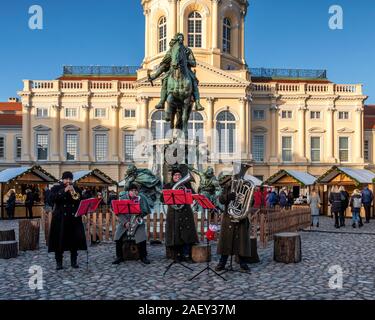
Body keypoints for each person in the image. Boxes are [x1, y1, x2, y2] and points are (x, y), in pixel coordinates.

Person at [148, 33, 204, 112]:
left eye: (182, 38)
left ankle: (198, 103)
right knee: (165, 81)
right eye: (179, 38)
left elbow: (194, 63)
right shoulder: (171, 50)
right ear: (176, 40)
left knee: (194, 82)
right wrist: (155, 75)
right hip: (172, 69)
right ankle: (162, 101)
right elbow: (164, 63)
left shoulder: (187, 50)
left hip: (186, 70)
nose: (181, 39)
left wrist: (185, 60)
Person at [48, 172, 87, 270]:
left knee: (74, 240)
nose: (68, 181)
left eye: (70, 179)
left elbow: (80, 200)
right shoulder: (56, 188)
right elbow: (51, 199)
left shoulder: (76, 189)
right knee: (59, 241)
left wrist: (76, 193)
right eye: (66, 179)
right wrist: (64, 190)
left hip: (74, 218)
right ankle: (59, 262)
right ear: (62, 179)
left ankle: (74, 262)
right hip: (60, 218)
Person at [215, 172, 251, 273]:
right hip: (229, 217)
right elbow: (221, 200)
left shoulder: (246, 186)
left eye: (239, 176)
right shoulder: (227, 186)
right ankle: (222, 262)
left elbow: (251, 201)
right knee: (226, 241)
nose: (237, 178)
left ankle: (242, 263)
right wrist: (229, 196)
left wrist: (245, 200)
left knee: (241, 242)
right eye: (236, 176)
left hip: (241, 218)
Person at [163, 168, 199, 262]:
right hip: (173, 213)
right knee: (176, 234)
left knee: (187, 234)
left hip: (186, 212)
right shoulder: (167, 186)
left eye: (179, 175)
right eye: (175, 175)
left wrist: (190, 194)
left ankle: (186, 255)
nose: (177, 177)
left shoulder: (187, 185)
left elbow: (194, 196)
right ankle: (177, 255)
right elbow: (162, 199)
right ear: (172, 177)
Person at [112, 183, 151, 265]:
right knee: (118, 237)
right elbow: (118, 213)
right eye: (132, 190)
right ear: (128, 191)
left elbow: (146, 211)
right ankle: (119, 256)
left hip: (137, 221)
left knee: (142, 237)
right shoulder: (122, 198)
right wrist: (125, 222)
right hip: (124, 222)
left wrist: (140, 212)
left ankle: (143, 256)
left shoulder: (141, 199)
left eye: (136, 190)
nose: (134, 192)